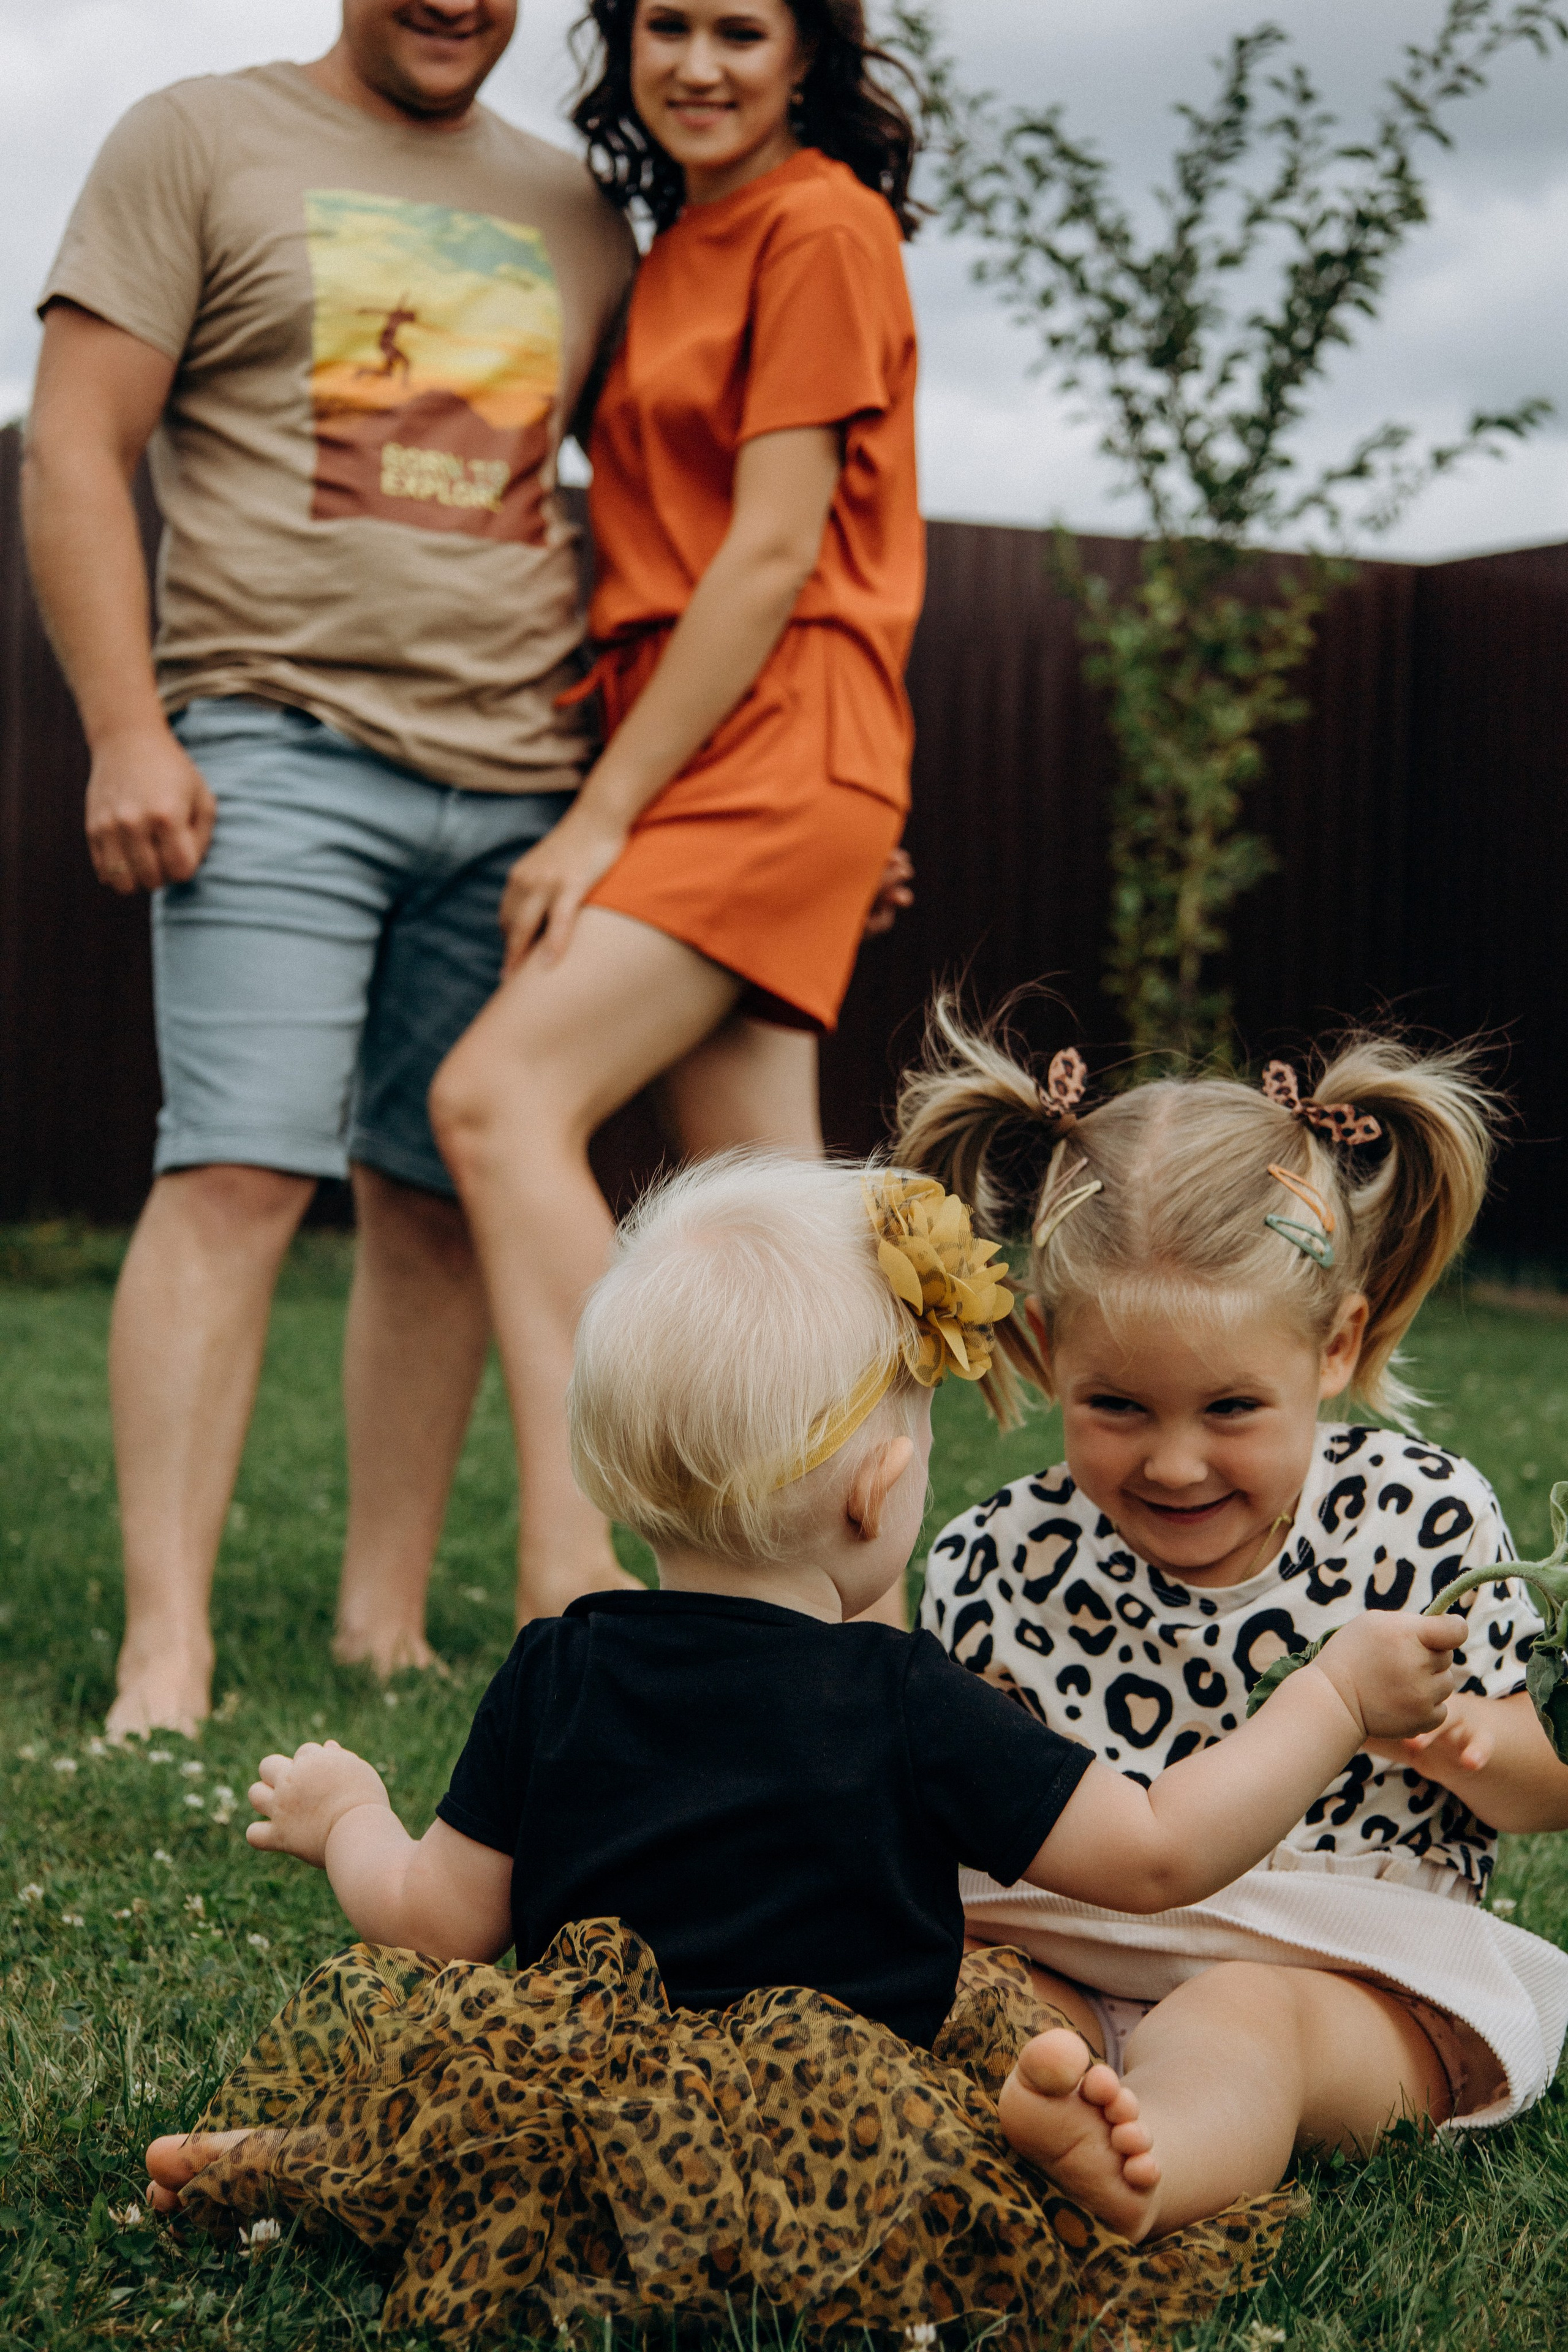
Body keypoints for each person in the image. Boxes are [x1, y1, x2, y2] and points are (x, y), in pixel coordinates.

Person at [140, 1153, 1464, 2338]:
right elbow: (1159, 1851)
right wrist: (1332, 1701)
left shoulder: (556, 1665)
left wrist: (347, 1816)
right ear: (875, 1490)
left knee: (477, 2129)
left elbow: (432, 1921)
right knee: (966, 2192)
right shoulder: (901, 1694)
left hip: (586, 2101)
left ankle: (313, 2157)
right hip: (843, 2120)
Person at [23, 1, 640, 1736]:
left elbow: (676, 496)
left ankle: (385, 1625)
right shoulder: (196, 138)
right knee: (232, 1170)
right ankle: (168, 1648)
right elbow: (76, 440)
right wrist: (128, 728)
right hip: (271, 743)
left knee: (437, 1196)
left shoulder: (582, 213)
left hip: (525, 775)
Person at [898, 1003, 1568, 2243]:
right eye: (1113, 1404)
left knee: (1233, 2023)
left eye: (1227, 1407)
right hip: (1081, 1941)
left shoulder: (1418, 1524)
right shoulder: (996, 1558)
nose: (1171, 1461)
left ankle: (1146, 2171)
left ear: (1335, 1345)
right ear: (1041, 1353)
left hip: (1346, 1970)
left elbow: (1543, 1789)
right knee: (962, 1985)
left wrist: (1465, 1743)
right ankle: (1048, 2103)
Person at [428, 0, 925, 1627]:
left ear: (808, 60)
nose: (698, 63)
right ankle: (860, 1621)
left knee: (498, 1099)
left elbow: (777, 553)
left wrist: (598, 822)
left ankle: (589, 1563)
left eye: (741, 29)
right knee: (777, 1217)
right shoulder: (672, 249)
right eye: (666, 24)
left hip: (771, 728)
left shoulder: (823, 226)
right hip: (728, 731)